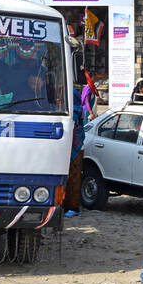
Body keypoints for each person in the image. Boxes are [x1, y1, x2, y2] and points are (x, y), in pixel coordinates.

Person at [63, 85, 86, 217]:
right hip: (66, 146)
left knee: (73, 177)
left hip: (75, 147)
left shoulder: (75, 112)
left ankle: (73, 206)